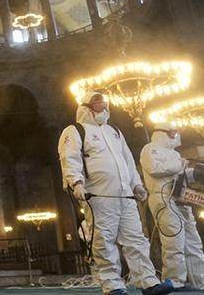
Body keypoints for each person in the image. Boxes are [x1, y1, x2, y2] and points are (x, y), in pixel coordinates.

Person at [58, 91, 173, 295]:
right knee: (104, 240)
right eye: (97, 104)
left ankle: (148, 282)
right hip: (99, 197)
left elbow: (127, 161)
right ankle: (113, 286)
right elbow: (70, 158)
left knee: (136, 239)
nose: (103, 107)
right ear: (86, 107)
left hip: (125, 196)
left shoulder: (115, 132)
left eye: (104, 103)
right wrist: (76, 183)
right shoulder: (75, 131)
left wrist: (136, 185)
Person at [140, 122, 204, 290]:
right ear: (162, 133)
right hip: (162, 198)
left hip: (180, 197)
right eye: (173, 133)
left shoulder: (176, 155)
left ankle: (200, 281)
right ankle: (174, 281)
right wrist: (180, 165)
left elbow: (181, 175)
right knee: (173, 240)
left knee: (193, 241)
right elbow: (154, 168)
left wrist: (196, 174)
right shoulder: (150, 149)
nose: (176, 136)